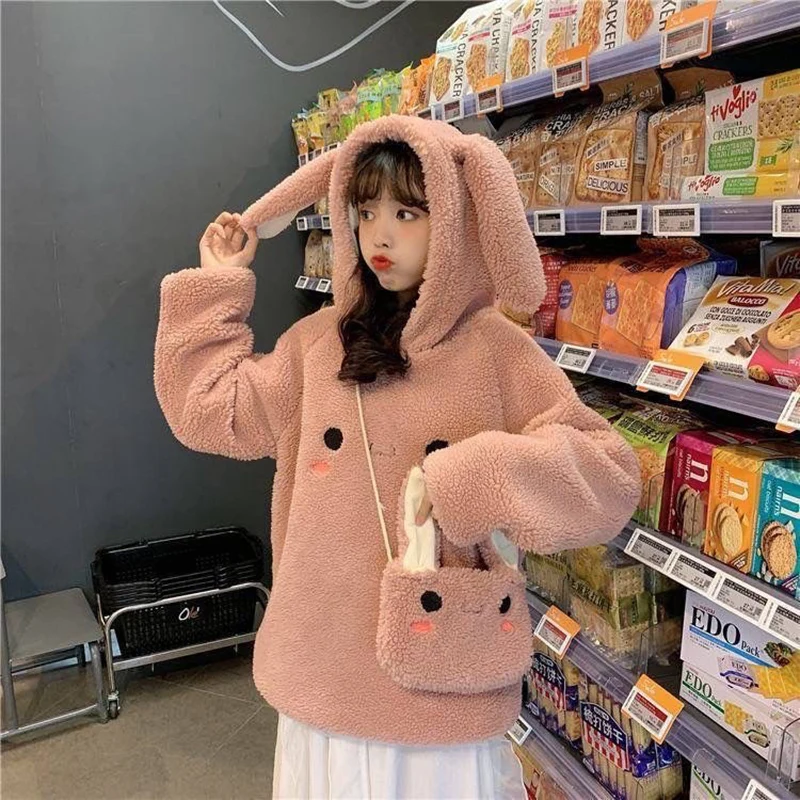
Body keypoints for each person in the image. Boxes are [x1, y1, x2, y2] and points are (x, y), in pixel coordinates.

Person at [154, 116, 640, 799]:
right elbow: (211, 413)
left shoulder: (495, 351)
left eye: (407, 213)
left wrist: (473, 478)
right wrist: (217, 286)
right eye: (365, 212)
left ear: (456, 220)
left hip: (438, 676)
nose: (379, 236)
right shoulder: (318, 345)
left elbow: (610, 476)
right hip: (323, 670)